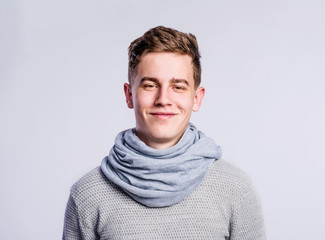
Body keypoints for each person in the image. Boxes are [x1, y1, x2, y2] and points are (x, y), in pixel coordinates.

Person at [63, 26, 266, 240]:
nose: (163, 99)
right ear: (129, 95)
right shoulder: (86, 195)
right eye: (150, 85)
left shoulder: (236, 190)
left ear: (196, 98)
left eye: (178, 87)